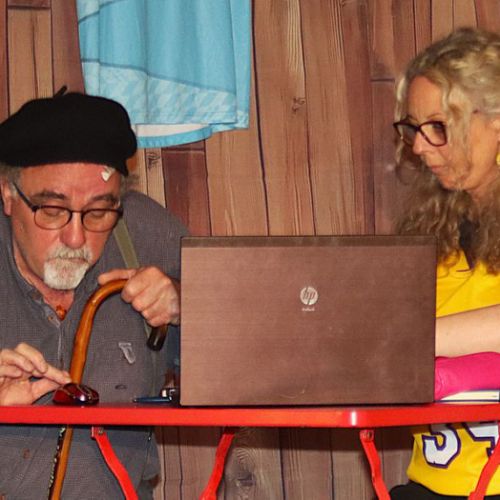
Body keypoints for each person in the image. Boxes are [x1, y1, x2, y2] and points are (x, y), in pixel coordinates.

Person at [0, 90, 188, 498]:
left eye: (99, 212)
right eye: (52, 211)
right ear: (8, 194)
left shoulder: (148, 235)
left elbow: (256, 359)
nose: (76, 237)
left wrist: (187, 304)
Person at [390, 27, 500, 498]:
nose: (418, 146)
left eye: (439, 126)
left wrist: (412, 341)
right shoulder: (434, 226)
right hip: (434, 483)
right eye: (413, 128)